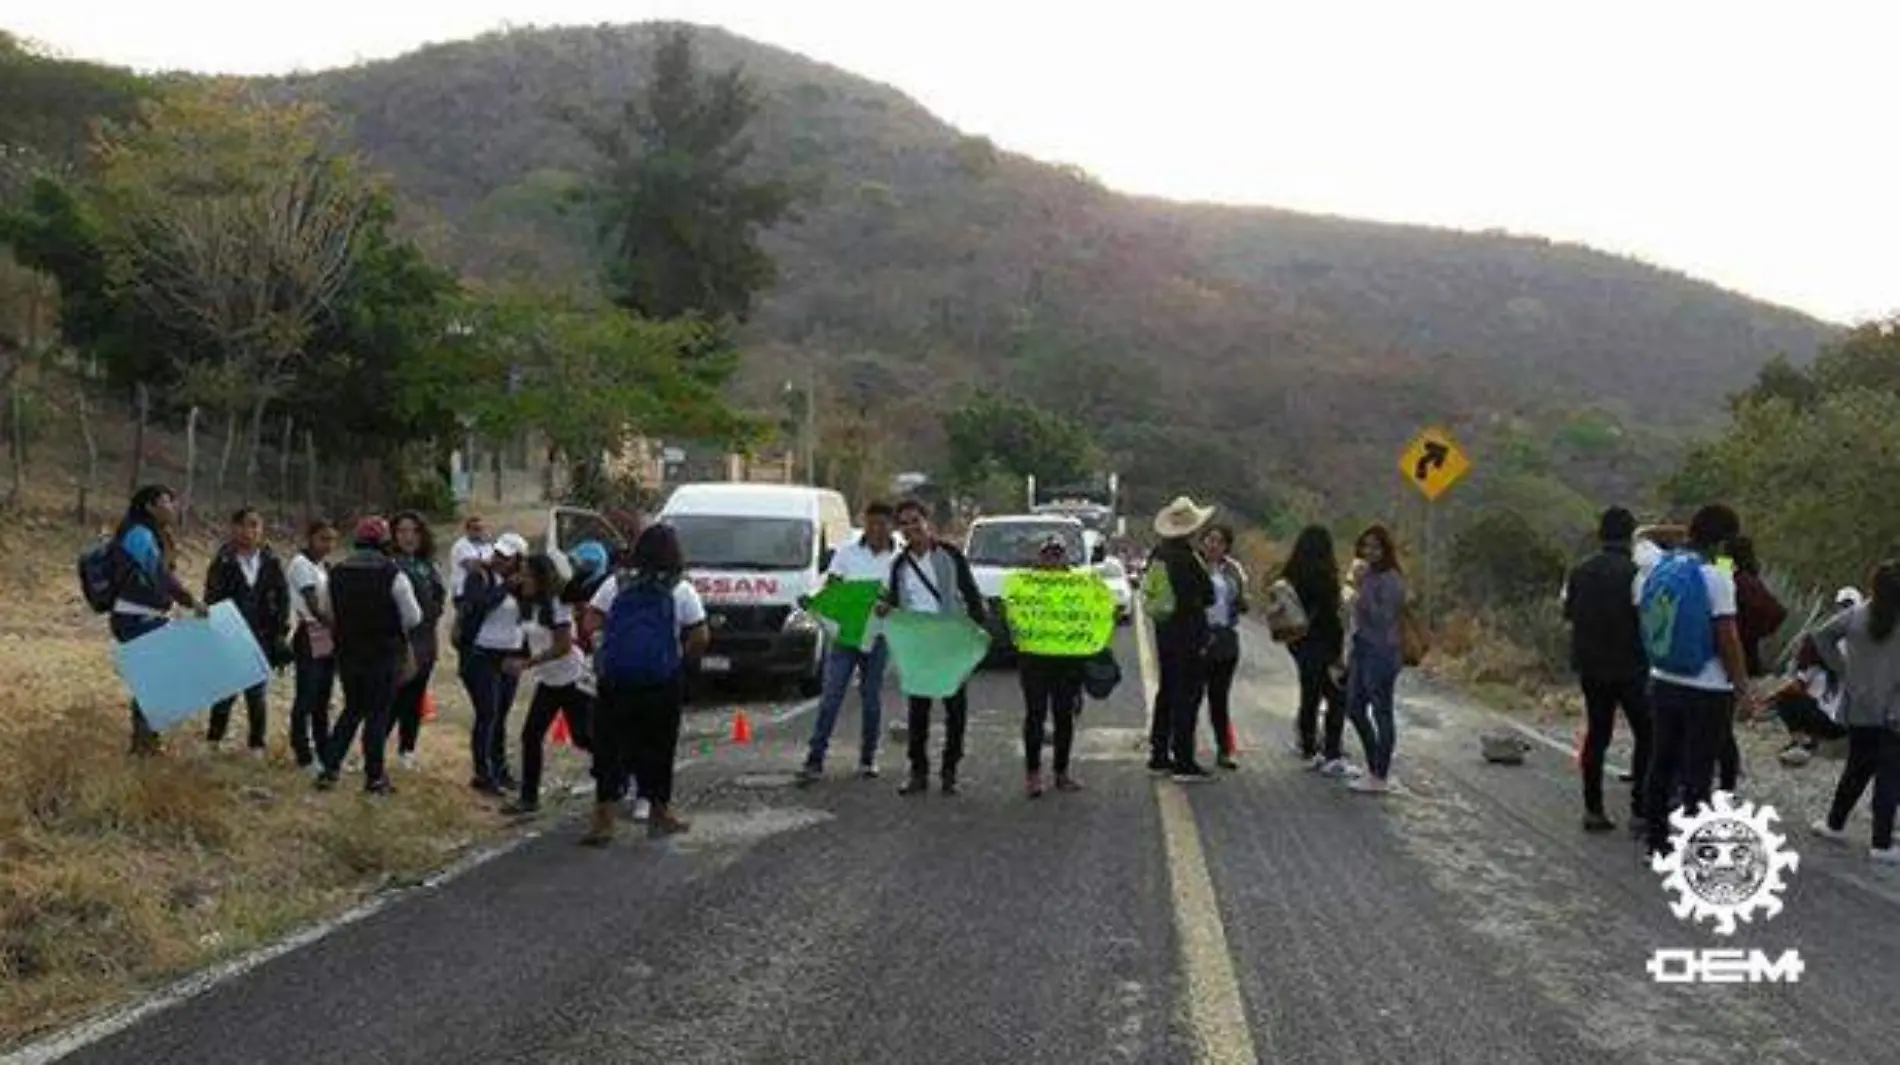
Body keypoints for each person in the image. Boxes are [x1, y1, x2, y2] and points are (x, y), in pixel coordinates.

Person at [1638, 504, 1757, 858]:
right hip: (1707, 687)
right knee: (1698, 770)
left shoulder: (1664, 565)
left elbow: (1648, 536)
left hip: (1663, 678)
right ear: (1723, 541)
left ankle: (1656, 844)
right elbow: (1728, 637)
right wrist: (1742, 686)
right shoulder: (1716, 576)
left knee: (1661, 763)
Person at [581, 524, 709, 845]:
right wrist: (680, 660)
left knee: (609, 748)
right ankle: (659, 814)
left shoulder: (617, 582)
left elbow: (591, 619)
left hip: (616, 679)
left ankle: (603, 821)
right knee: (659, 748)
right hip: (661, 682)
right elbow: (700, 635)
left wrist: (604, 649)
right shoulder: (681, 589)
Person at [881, 499, 987, 797]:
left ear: (927, 522)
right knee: (918, 711)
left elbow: (971, 595)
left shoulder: (951, 556)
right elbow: (895, 604)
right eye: (904, 523)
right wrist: (885, 611)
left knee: (955, 710)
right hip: (919, 645)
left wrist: (974, 632)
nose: (911, 527)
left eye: (915, 520)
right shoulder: (899, 565)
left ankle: (950, 771)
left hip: (950, 640)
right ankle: (918, 772)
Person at [1561, 506, 1655, 833]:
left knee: (1597, 734)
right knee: (1647, 733)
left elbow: (1569, 613)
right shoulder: (1636, 574)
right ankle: (1640, 808)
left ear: (1601, 534)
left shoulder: (1580, 571)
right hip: (1630, 665)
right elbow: (1647, 620)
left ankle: (1593, 807)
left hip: (1591, 664)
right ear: (1630, 536)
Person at [316, 517, 422, 795]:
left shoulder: (336, 573)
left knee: (351, 709)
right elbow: (413, 617)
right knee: (377, 713)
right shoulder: (393, 574)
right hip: (383, 653)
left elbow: (327, 612)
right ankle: (374, 777)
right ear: (384, 543)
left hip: (348, 653)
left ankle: (329, 768)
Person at [797, 500, 899, 784]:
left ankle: (867, 758)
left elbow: (903, 598)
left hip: (876, 636)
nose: (876, 529)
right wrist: (818, 600)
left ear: (890, 526)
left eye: (882, 524)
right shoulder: (847, 553)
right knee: (831, 696)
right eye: (871, 523)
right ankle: (815, 758)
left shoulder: (898, 559)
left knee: (871, 700)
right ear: (864, 523)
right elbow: (833, 586)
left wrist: (888, 606)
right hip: (845, 636)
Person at [1808, 563, 1900, 864]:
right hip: (1895, 711)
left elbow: (1821, 636)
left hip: (1860, 706)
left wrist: (1844, 670)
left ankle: (1835, 824)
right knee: (1889, 777)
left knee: (1857, 769)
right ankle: (1882, 843)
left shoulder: (1858, 615)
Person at [107, 485, 207, 754]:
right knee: (153, 676)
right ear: (150, 506)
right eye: (166, 502)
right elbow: (158, 573)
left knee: (155, 675)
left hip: (146, 613)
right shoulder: (138, 534)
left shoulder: (153, 533)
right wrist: (190, 600)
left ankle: (147, 739)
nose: (172, 507)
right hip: (134, 614)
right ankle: (143, 742)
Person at [502, 552, 595, 816]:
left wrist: (528, 663)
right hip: (549, 680)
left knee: (583, 736)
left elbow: (563, 646)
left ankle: (616, 772)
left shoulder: (556, 604)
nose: (522, 578)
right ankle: (528, 798)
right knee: (531, 735)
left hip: (572, 678)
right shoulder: (527, 603)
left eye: (527, 574)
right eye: (521, 573)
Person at [203, 506, 291, 756]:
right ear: (235, 528)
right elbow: (212, 596)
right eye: (245, 525)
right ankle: (214, 739)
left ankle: (256, 744)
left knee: (257, 693)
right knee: (226, 691)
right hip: (231, 634)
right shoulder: (223, 561)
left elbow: (283, 597)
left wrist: (281, 630)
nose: (250, 531)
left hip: (262, 634)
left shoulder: (271, 561)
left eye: (256, 525)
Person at [1143, 496, 1218, 783]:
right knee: (1188, 694)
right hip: (1189, 632)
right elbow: (1208, 595)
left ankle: (1159, 753)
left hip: (1165, 631)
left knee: (1168, 690)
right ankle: (1184, 759)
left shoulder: (1158, 554)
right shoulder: (1188, 559)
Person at [458, 531, 530, 795]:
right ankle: (483, 772)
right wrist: (504, 588)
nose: (499, 560)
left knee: (501, 714)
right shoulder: (480, 576)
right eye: (497, 554)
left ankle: (500, 768)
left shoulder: (524, 583)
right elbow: (478, 606)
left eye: (506, 557)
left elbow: (529, 617)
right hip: (481, 654)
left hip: (509, 653)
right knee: (487, 712)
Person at [1016, 534, 1087, 798]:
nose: (1052, 560)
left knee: (1064, 717)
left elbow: (1087, 623)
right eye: (1047, 554)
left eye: (1057, 554)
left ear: (1065, 558)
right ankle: (1033, 775)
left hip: (1067, 662)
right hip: (1034, 661)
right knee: (1035, 715)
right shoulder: (1026, 586)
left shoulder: (1078, 587)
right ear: (1039, 558)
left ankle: (1061, 772)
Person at [1280, 525, 1352, 776]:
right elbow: (1333, 620)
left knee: (1309, 695)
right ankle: (1332, 749)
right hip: (1323, 644)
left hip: (1299, 643)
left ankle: (1309, 745)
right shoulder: (1326, 578)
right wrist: (1338, 653)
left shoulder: (1291, 575)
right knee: (1337, 697)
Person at [1344, 524, 1407, 795]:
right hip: (1361, 647)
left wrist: (1361, 594)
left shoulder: (1391, 579)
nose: (1369, 551)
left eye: (1376, 547)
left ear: (1385, 550)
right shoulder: (1366, 574)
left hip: (1382, 651)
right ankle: (1373, 766)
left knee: (1382, 711)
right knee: (1354, 707)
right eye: (1365, 546)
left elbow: (1383, 617)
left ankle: (1380, 773)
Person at [389, 511, 446, 771]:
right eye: (402, 531)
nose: (408, 537)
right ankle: (375, 747)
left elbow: (439, 601)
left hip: (426, 639)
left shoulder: (429, 566)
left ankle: (407, 749)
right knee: (393, 698)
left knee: (415, 698)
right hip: (400, 639)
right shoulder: (391, 564)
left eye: (413, 531)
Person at [285, 519, 338, 772]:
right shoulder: (301, 564)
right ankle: (302, 751)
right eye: (323, 539)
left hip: (325, 635)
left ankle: (324, 749)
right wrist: (337, 625)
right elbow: (314, 605)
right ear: (310, 538)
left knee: (322, 697)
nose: (328, 545)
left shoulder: (322, 566)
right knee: (306, 695)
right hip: (309, 632)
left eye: (331, 540)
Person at [1200, 523, 1250, 770]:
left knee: (1219, 698)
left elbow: (1242, 601)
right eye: (1209, 539)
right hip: (1199, 637)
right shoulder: (1194, 566)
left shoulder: (1233, 570)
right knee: (1190, 696)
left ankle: (1224, 749)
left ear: (1226, 546)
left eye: (1219, 541)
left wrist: (1241, 601)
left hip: (1225, 637)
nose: (1213, 545)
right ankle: (1180, 749)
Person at [1769, 633, 1849, 767]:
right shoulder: (1820, 668)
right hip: (1836, 722)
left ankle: (1803, 741)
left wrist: (1767, 699)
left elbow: (1793, 687)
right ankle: (1803, 742)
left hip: (1829, 721)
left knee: (1787, 700)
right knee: (1789, 698)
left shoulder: (1821, 668)